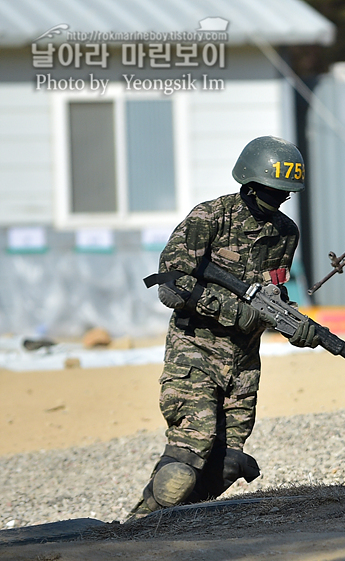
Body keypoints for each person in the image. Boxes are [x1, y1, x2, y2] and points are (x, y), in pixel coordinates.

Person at [128, 136, 320, 518]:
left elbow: (274, 292)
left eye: (285, 195)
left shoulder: (286, 232)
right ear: (249, 184)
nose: (278, 201)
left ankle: (176, 524)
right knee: (186, 459)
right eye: (271, 192)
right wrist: (232, 310)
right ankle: (139, 524)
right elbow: (170, 283)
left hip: (244, 360)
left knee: (230, 462)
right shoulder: (211, 217)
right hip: (195, 350)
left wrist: (295, 325)